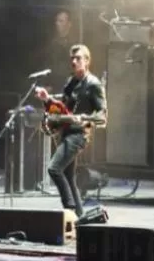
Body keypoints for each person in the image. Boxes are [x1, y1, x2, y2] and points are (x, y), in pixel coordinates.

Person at [34, 44, 106, 218]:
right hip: (67, 132)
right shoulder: (70, 82)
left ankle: (70, 209)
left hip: (79, 134)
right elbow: (62, 109)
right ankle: (80, 217)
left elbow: (102, 116)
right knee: (68, 175)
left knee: (54, 169)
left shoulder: (94, 84)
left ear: (87, 61)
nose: (74, 62)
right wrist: (47, 99)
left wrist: (85, 118)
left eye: (78, 58)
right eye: (72, 59)